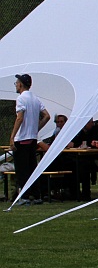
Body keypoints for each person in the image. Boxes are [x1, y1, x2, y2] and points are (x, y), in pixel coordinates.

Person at [9, 73, 50, 205]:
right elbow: (47, 116)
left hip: (22, 139)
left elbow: (19, 118)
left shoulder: (21, 99)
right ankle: (36, 194)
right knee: (32, 167)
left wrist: (12, 136)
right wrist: (35, 128)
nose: (16, 85)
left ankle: (25, 196)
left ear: (21, 84)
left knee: (22, 169)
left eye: (16, 83)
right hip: (32, 139)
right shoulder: (35, 99)